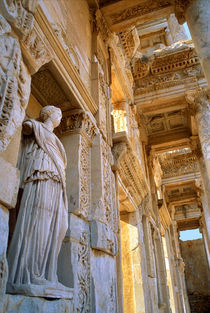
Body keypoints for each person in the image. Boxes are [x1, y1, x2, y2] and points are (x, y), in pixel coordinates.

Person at [7, 105, 71, 298]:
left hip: (55, 182)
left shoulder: (56, 140)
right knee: (39, 224)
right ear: (49, 115)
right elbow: (25, 126)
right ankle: (30, 273)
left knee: (58, 226)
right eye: (58, 113)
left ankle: (46, 274)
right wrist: (32, 124)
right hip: (40, 178)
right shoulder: (35, 127)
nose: (60, 116)